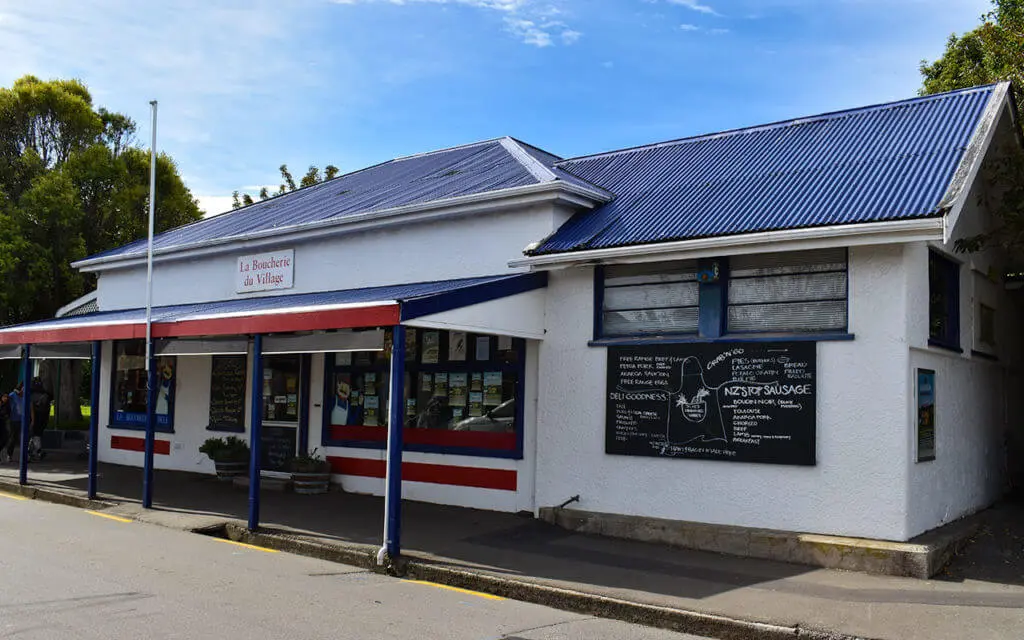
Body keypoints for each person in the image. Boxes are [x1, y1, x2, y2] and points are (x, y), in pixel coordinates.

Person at [29, 377, 51, 460]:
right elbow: (47, 409)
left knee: (33, 436)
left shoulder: (31, 395)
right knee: (36, 435)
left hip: (35, 418)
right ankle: (37, 451)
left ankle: (35, 452)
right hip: (40, 418)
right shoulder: (45, 395)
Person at [5, 383, 24, 463]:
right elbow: (6, 403)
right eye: (23, 389)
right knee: (13, 438)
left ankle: (25, 456)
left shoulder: (25, 396)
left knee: (23, 438)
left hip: (22, 420)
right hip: (13, 420)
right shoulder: (12, 395)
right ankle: (9, 455)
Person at [0, 394, 10, 464]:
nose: (6, 398)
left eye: (7, 397)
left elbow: (8, 414)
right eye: (4, 397)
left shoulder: (7, 405)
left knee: (4, 439)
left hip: (3, 424)